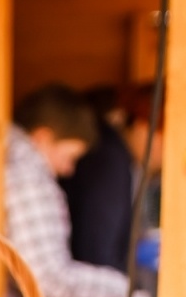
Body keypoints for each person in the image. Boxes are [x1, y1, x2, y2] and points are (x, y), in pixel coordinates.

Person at [3, 84, 130, 297]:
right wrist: (122, 290)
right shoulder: (30, 180)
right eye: (69, 156)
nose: (68, 170)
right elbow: (50, 280)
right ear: (42, 138)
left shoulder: (5, 163)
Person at [63, 86, 164, 275]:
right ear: (144, 129)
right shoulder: (110, 162)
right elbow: (98, 254)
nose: (167, 155)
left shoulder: (121, 158)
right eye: (165, 139)